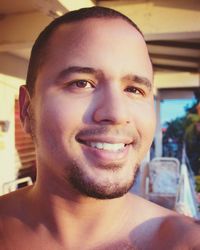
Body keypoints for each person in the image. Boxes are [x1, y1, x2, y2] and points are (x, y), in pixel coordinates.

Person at [0, 6, 199, 250]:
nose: (116, 114)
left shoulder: (186, 243)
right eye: (82, 83)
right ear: (27, 110)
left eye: (134, 90)